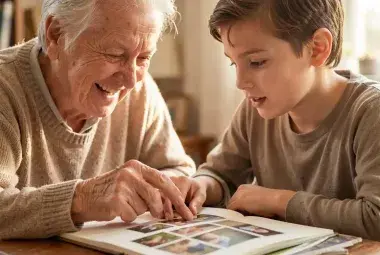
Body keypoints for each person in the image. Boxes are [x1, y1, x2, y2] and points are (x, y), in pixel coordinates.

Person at [167, 0, 380, 241]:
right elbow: (221, 174)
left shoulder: (371, 112)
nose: (240, 82)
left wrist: (279, 200)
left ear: (317, 48)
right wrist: (201, 186)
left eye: (256, 62)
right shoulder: (255, 109)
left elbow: (375, 217)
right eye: (233, 63)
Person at [0, 0, 196, 240]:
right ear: (56, 35)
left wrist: (172, 185)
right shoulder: (5, 89)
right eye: (114, 54)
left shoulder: (139, 91)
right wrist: (82, 199)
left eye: (144, 57)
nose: (131, 80)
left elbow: (177, 169)